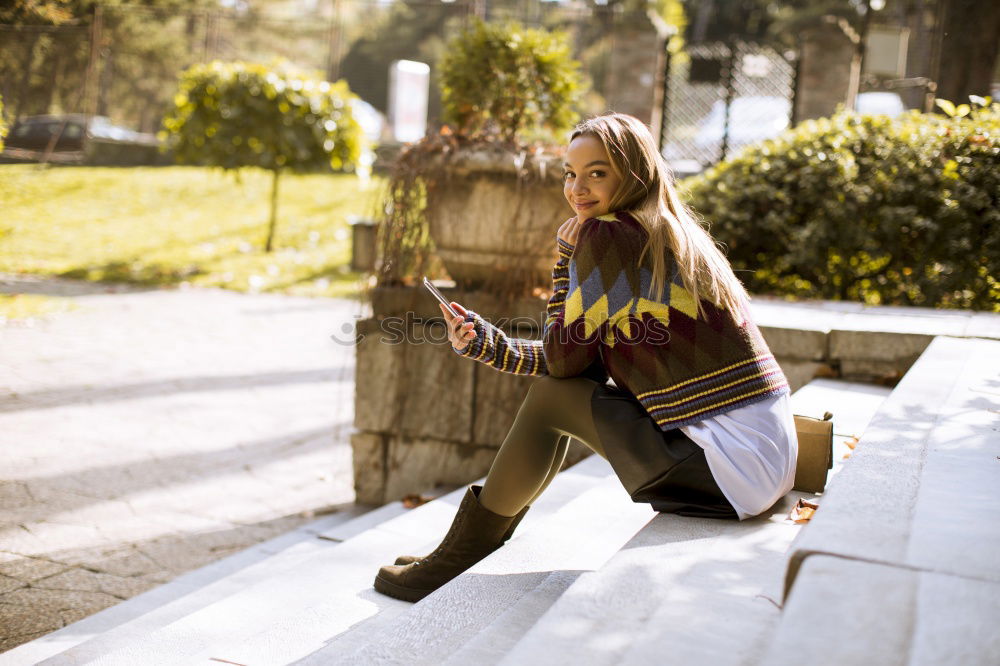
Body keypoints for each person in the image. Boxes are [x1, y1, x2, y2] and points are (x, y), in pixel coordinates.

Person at [373, 113, 797, 603]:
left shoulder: (609, 235)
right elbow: (582, 365)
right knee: (556, 395)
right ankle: (462, 550)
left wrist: (565, 263)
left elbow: (564, 367)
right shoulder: (667, 231)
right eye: (570, 174)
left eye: (597, 172)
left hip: (729, 471)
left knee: (551, 396)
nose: (578, 189)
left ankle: (455, 558)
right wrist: (486, 343)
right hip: (763, 464)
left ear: (633, 173)